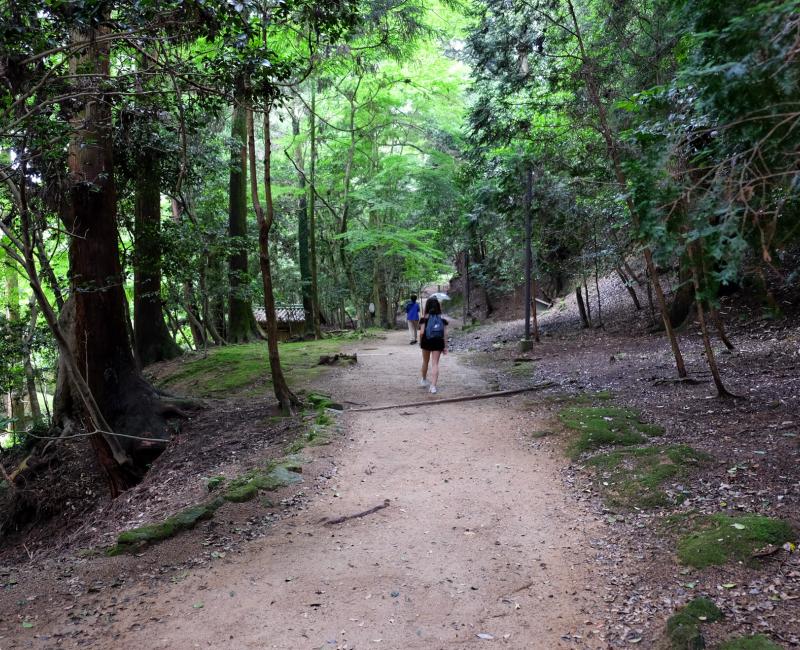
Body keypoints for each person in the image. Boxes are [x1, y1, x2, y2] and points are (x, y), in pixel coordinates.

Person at [418, 296, 448, 394]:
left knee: (425, 362)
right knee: (435, 364)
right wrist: (445, 346)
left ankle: (423, 379)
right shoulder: (442, 318)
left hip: (426, 341)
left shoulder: (424, 317)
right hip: (438, 341)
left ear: (427, 305)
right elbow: (445, 334)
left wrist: (420, 341)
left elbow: (422, 332)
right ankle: (433, 386)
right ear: (438, 306)